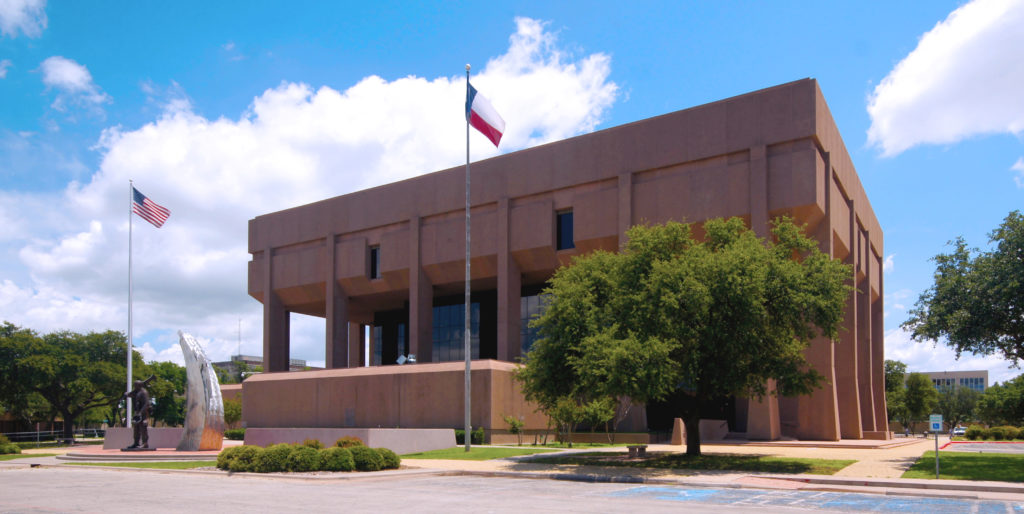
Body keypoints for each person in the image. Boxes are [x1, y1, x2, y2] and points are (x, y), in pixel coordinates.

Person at [123, 376, 154, 449]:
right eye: (134, 385)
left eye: (136, 385)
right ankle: (136, 443)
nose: (134, 386)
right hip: (137, 413)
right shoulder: (136, 391)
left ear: (139, 385)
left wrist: (140, 412)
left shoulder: (144, 392)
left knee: (143, 428)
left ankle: (145, 443)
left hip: (143, 413)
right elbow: (131, 395)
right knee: (136, 429)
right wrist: (127, 394)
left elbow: (146, 404)